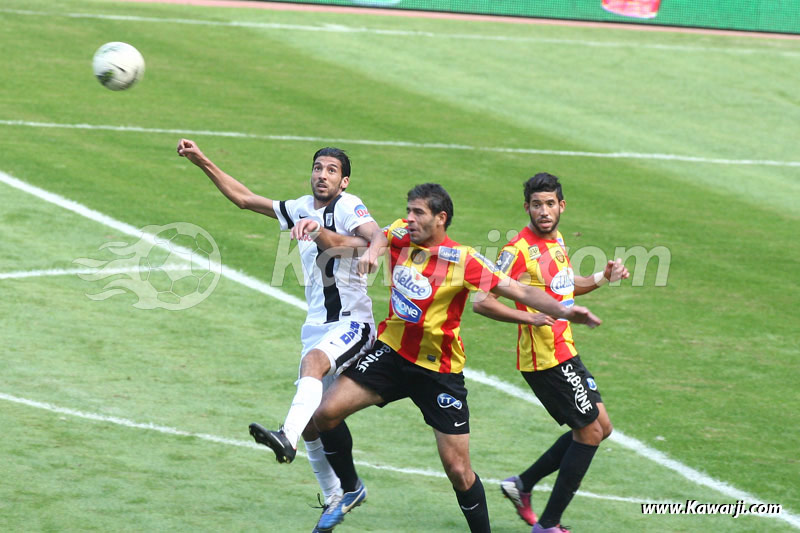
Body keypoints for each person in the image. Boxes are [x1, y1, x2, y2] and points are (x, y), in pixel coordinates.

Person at [292, 183, 601, 533]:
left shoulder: (464, 259)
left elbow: (519, 289)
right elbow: (376, 235)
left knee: (458, 470)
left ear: (441, 218)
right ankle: (351, 489)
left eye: (418, 212)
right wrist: (326, 233)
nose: (409, 218)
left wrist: (563, 310)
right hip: (391, 354)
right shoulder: (400, 234)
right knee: (325, 414)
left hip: (439, 372)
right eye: (408, 210)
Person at [176, 139, 384, 514]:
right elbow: (245, 199)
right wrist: (202, 160)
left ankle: (284, 438)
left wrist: (371, 253)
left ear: (344, 181)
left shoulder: (348, 206)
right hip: (317, 326)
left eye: (331, 170)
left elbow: (378, 234)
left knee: (312, 369)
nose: (322, 175)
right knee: (312, 424)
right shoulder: (301, 208)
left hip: (354, 324)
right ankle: (336, 495)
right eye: (318, 168)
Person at [472, 172, 629, 533]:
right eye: (537, 205)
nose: (544, 211)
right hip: (544, 360)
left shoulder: (556, 240)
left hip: (565, 351)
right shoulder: (516, 251)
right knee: (589, 433)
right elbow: (482, 302)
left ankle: (521, 485)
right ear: (526, 207)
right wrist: (529, 318)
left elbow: (565, 286)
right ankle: (549, 525)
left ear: (562, 206)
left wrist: (602, 277)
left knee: (601, 428)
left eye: (550, 204)